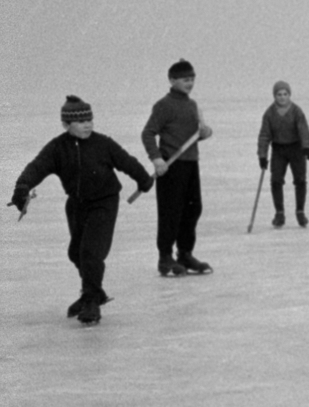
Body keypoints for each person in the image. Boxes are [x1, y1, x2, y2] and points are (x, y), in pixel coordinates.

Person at [9, 96, 154, 325]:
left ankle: (91, 301)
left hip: (104, 202)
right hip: (77, 204)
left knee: (91, 253)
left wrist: (143, 178)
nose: (88, 125)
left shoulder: (103, 144)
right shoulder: (57, 147)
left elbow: (126, 161)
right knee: (76, 252)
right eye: (81, 121)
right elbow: (37, 167)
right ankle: (94, 292)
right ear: (66, 125)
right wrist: (22, 187)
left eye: (89, 120)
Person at [141, 58, 215, 277]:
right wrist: (156, 159)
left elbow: (193, 135)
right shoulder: (164, 105)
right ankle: (165, 257)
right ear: (172, 80)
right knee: (171, 212)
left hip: (191, 163)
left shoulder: (193, 105)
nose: (189, 83)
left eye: (192, 79)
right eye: (185, 79)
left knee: (192, 209)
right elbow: (148, 133)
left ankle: (185, 253)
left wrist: (205, 133)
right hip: (171, 166)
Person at [257, 80, 309, 227]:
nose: (282, 97)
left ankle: (300, 212)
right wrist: (262, 155)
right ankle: (279, 213)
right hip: (279, 150)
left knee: (300, 180)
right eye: (279, 94)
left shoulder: (296, 111)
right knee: (276, 180)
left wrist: (306, 147)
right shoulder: (269, 113)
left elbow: (304, 130)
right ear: (274, 96)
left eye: (285, 94)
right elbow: (264, 135)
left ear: (289, 95)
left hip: (296, 149)